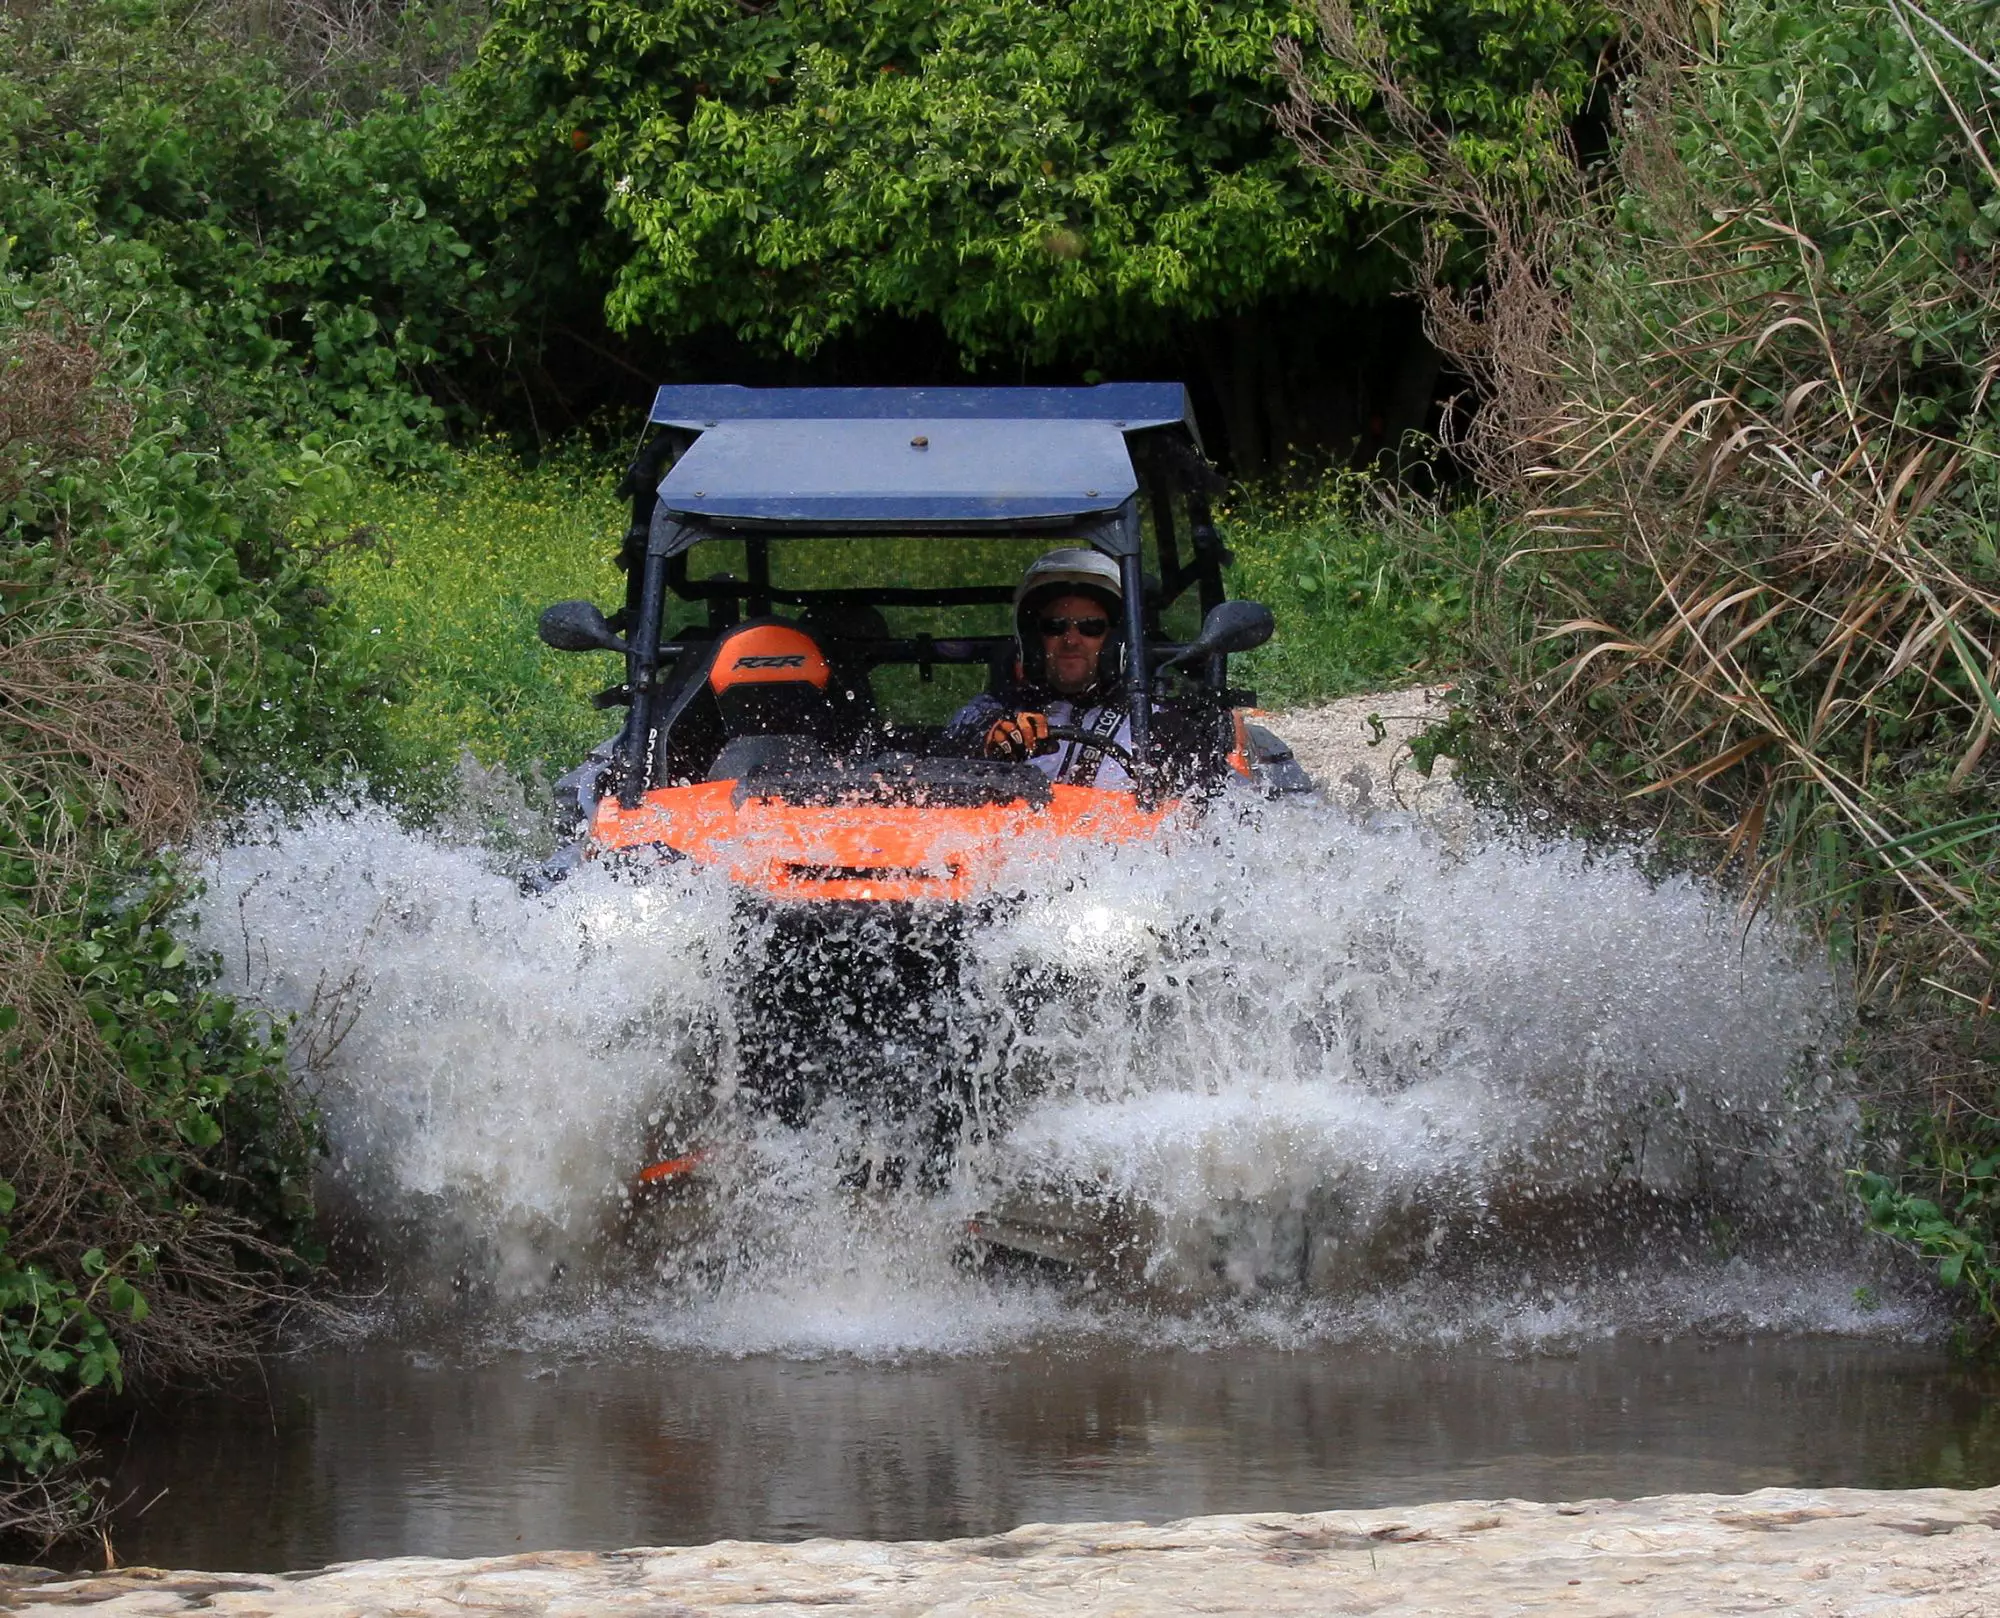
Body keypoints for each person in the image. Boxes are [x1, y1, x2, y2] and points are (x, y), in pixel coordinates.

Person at [946, 547, 1145, 789]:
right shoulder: (998, 708)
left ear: (1116, 641)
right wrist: (990, 742)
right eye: (1055, 626)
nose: (1071, 640)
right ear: (1034, 641)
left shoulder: (1150, 720)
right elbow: (957, 736)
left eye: (1091, 627)